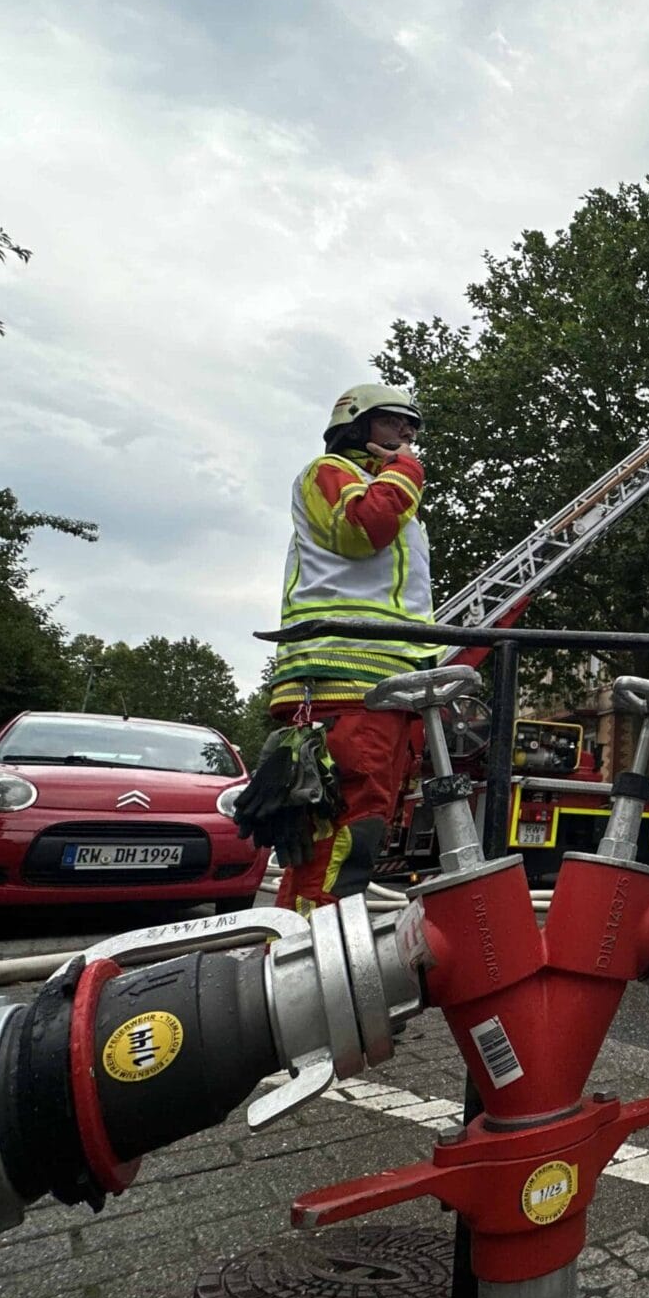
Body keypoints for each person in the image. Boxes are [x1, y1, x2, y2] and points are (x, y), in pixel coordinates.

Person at [268, 384, 438, 912]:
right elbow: (364, 531)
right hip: (343, 684)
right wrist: (407, 470)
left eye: (412, 426)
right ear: (355, 426)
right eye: (392, 421)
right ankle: (317, 943)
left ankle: (294, 939)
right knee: (347, 831)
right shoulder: (329, 473)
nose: (407, 433)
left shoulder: (389, 493)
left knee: (341, 832)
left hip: (383, 687)